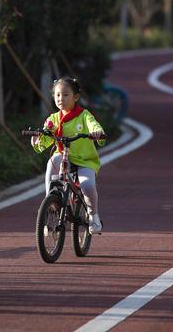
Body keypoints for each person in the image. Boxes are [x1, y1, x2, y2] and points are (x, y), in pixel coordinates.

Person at [30, 77, 106, 234]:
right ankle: (49, 203)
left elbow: (94, 125)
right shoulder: (53, 119)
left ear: (75, 97)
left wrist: (97, 132)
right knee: (52, 163)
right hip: (63, 156)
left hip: (85, 161)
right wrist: (38, 140)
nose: (60, 99)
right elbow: (46, 138)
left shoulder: (84, 115)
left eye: (65, 95)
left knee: (87, 185)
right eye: (57, 95)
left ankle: (93, 216)